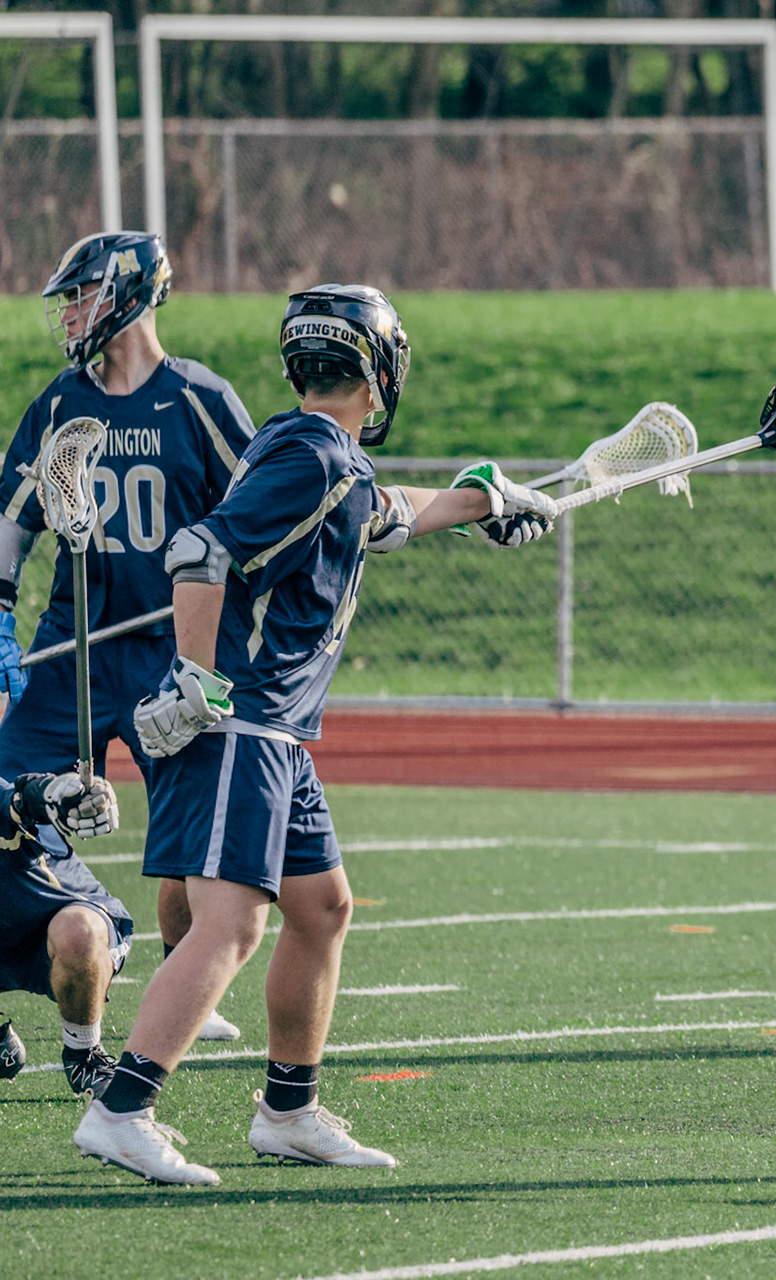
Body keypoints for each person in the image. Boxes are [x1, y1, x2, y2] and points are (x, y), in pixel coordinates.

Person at [73, 284, 559, 1186]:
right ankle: (121, 1110)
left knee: (323, 909)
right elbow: (200, 552)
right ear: (379, 376)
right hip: (243, 723)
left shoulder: (310, 451)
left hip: (277, 734)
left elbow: (384, 511)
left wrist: (482, 500)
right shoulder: (315, 458)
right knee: (230, 925)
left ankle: (288, 1113)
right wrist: (197, 680)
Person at [1, 231, 256, 1044]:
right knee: (4, 793)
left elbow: (257, 511)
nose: (70, 314)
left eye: (81, 295)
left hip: (167, 652)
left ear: (129, 294)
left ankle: (187, 985)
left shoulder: (199, 399)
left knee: (187, 833)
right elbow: (11, 521)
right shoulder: (60, 404)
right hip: (73, 647)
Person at [0, 769, 128, 1098]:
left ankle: (84, 1054)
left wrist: (57, 791)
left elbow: (23, 799)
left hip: (49, 921)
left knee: (77, 933)